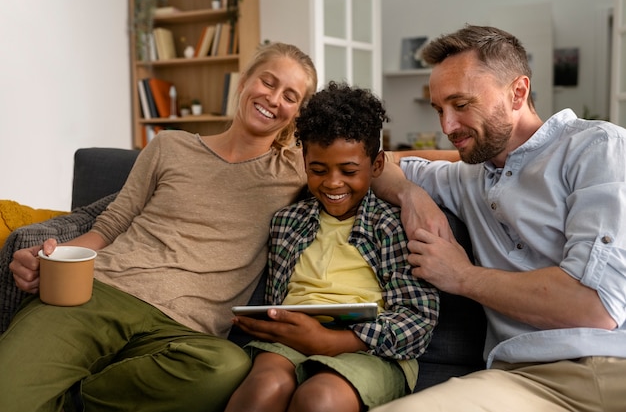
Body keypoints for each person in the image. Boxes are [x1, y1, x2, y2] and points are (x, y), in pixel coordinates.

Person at [0, 42, 319, 412]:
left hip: (186, 333)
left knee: (226, 366)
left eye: (291, 96)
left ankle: (73, 399)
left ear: (298, 113)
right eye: (268, 82)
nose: (274, 98)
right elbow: (112, 223)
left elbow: (372, 162)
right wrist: (54, 260)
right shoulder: (170, 145)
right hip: (101, 292)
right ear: (244, 81)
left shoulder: (297, 168)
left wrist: (406, 198)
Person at [371, 25, 626, 412]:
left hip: (614, 364)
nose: (447, 127)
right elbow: (375, 166)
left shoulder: (596, 148)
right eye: (439, 109)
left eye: (461, 104)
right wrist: (411, 194)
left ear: (518, 93)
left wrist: (461, 276)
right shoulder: (466, 175)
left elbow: (595, 307)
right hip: (524, 380)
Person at [224, 82, 440, 412]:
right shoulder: (287, 222)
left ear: (377, 166)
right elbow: (276, 298)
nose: (333, 183)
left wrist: (334, 341)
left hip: (369, 348)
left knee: (319, 398)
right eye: (318, 169)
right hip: (291, 339)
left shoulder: (390, 225)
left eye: (349, 171)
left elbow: (418, 319)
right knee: (265, 388)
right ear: (305, 163)